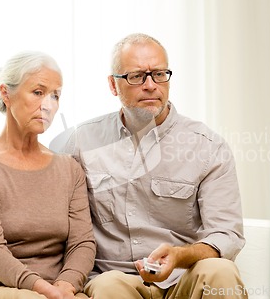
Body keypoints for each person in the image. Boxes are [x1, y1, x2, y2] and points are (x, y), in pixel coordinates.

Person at [51, 33, 247, 299]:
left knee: (220, 271)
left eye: (159, 74)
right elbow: (53, 219)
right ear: (113, 84)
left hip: (183, 276)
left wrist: (181, 256)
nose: (151, 85)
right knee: (108, 286)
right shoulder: (79, 142)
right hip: (115, 278)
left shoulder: (208, 146)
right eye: (136, 76)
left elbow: (226, 233)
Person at [0, 51, 96, 299]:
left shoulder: (69, 168)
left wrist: (66, 286)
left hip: (56, 291)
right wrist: (46, 291)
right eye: (38, 92)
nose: (48, 105)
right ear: (6, 93)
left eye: (55, 95)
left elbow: (83, 243)